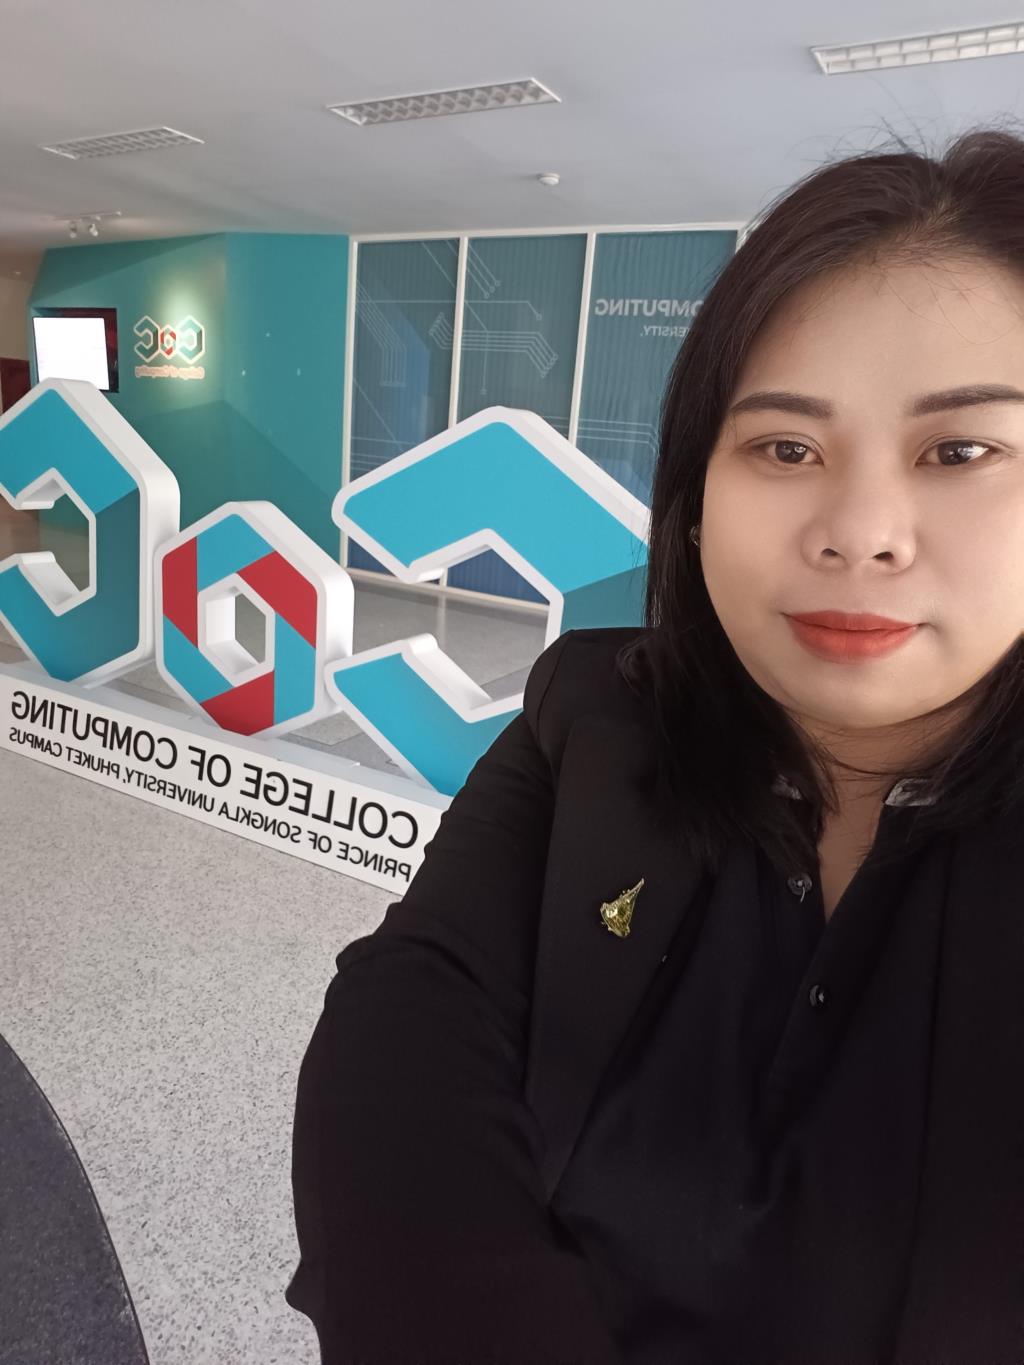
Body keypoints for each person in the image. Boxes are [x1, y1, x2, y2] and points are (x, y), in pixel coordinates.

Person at [285, 122, 1024, 1364]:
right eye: (784, 448)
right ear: (694, 499)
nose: (859, 531)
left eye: (959, 451)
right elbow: (403, 1032)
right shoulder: (598, 712)